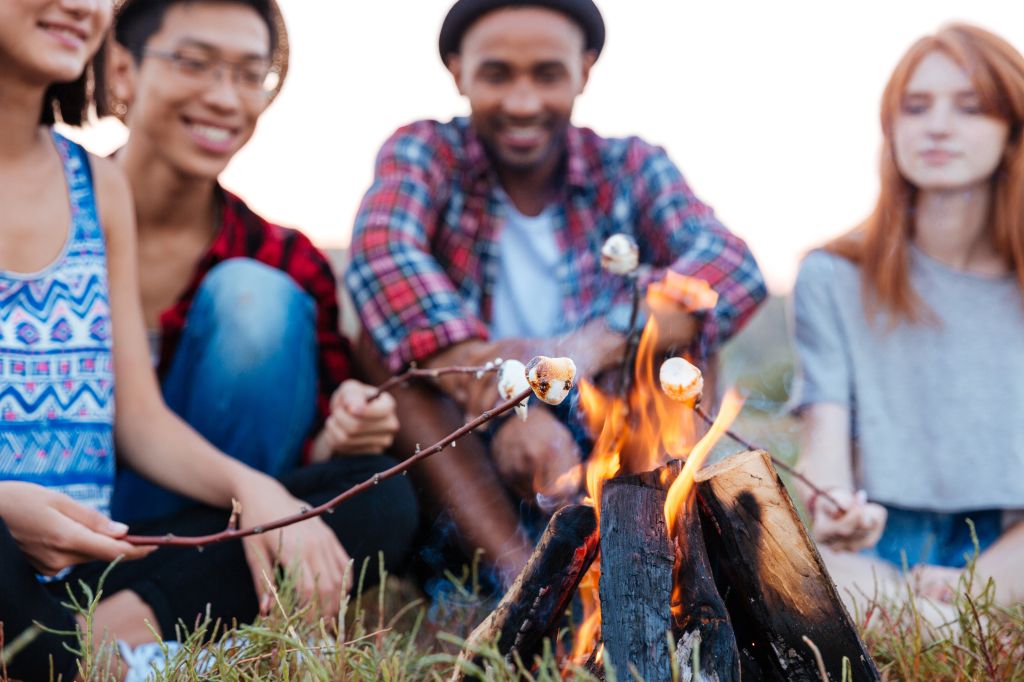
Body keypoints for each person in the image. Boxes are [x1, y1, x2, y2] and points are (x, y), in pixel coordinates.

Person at [0, 2, 415, 679]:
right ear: (126, 71)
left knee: (380, 496)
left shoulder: (92, 186)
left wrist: (256, 491)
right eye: (195, 63)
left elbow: (137, 422)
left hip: (92, 563)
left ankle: (98, 638)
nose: (82, 5)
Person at [346, 0, 766, 583]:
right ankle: (520, 582)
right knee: (378, 347)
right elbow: (382, 256)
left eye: (547, 74)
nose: (522, 102)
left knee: (682, 338)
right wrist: (503, 391)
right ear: (457, 71)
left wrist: (594, 342)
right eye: (497, 74)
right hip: (464, 440)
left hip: (603, 425)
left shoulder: (630, 164)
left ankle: (645, 565)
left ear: (584, 70)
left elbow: (733, 266)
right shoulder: (425, 152)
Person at [96, 0, 401, 524]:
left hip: (210, 524)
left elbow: (308, 452)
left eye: (249, 74)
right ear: (123, 71)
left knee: (254, 297)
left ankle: (187, 576)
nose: (224, 98)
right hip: (44, 506)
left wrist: (346, 427)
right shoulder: (47, 217)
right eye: (193, 63)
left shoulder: (286, 260)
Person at [792, 23, 1024, 614]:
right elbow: (824, 444)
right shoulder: (832, 275)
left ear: (1012, 129)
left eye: (970, 108)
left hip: (1013, 545)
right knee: (812, 584)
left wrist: (979, 582)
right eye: (915, 107)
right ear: (891, 128)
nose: (938, 126)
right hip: (877, 552)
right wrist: (832, 507)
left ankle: (942, 625)